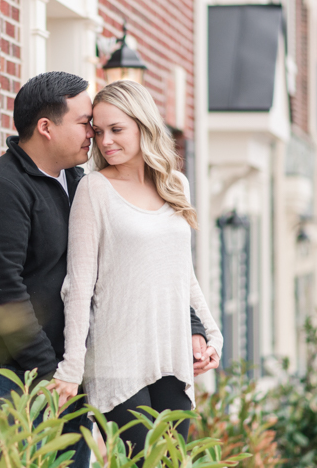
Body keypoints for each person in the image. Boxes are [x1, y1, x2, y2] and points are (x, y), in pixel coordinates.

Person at [0, 72, 215, 468]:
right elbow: (2, 292)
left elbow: (146, 263)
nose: (95, 137)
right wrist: (52, 372)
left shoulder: (76, 180)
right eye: (87, 124)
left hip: (64, 367)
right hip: (12, 373)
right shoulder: (1, 188)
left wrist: (194, 326)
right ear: (46, 127)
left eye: (105, 127)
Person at [49, 80, 223, 456]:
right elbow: (79, 285)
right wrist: (71, 367)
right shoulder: (94, 189)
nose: (106, 141)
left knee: (174, 459)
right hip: (117, 360)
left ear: (143, 126)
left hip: (171, 354)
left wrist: (211, 333)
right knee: (140, 459)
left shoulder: (175, 184)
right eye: (98, 132)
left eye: (116, 129)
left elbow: (182, 273)